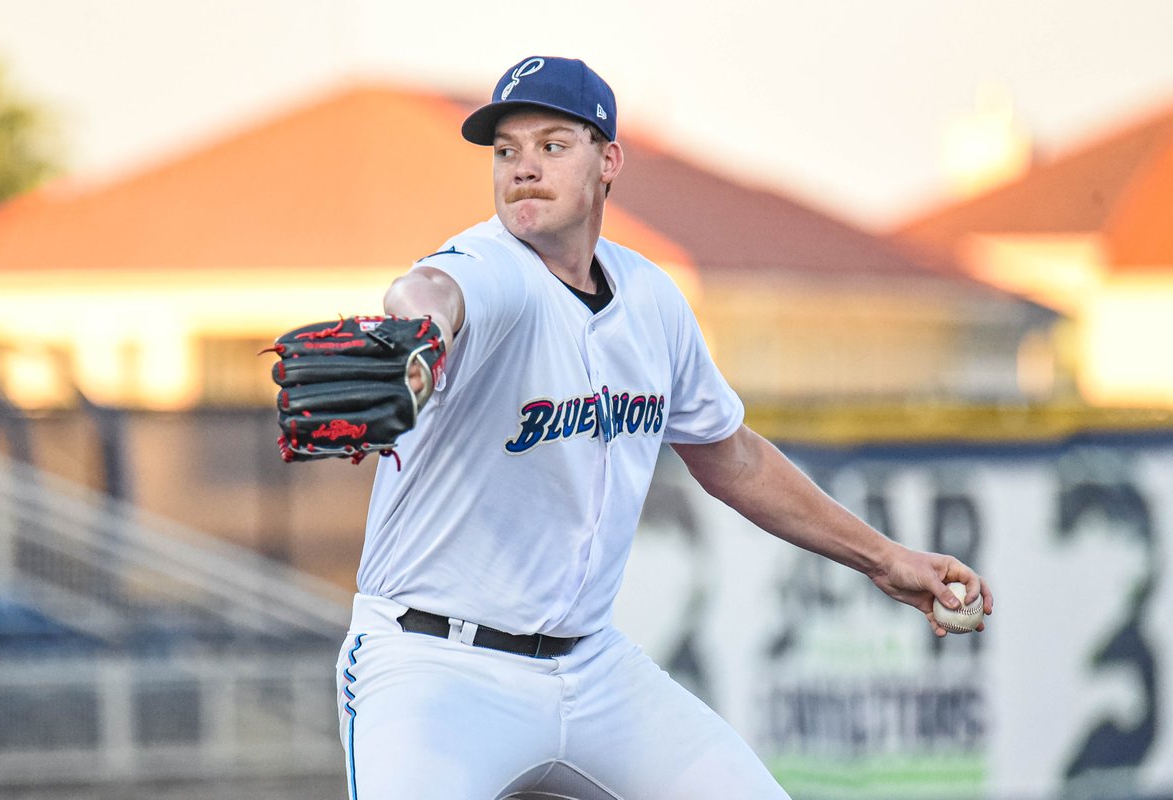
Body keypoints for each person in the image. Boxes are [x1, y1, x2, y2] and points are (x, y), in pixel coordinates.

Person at [335, 55, 993, 800]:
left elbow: (734, 459)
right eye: (506, 150)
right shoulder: (491, 269)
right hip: (435, 667)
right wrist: (420, 337)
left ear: (609, 161)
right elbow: (429, 289)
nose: (523, 167)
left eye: (552, 145)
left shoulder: (651, 300)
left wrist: (884, 559)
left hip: (590, 669)